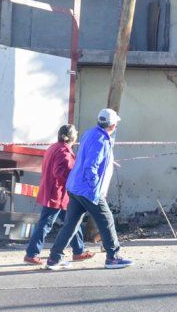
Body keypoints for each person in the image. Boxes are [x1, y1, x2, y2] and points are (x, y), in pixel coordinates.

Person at [46, 109, 134, 270]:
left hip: (75, 187)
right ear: (113, 125)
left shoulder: (89, 133)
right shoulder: (102, 140)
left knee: (71, 224)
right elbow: (90, 167)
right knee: (107, 221)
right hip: (88, 189)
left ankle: (54, 258)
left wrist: (107, 162)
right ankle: (113, 257)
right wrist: (95, 188)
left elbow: (88, 157)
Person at [24, 124, 94, 265]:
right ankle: (31, 254)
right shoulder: (64, 151)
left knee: (73, 221)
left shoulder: (54, 147)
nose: (77, 135)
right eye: (75, 133)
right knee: (46, 225)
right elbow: (61, 172)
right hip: (57, 195)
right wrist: (75, 182)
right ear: (71, 137)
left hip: (56, 193)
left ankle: (79, 251)